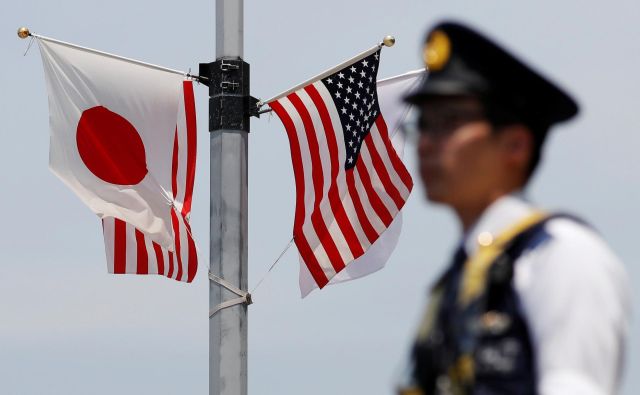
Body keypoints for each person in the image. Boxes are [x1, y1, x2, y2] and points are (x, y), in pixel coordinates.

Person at [398, 21, 631, 395]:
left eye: (449, 122)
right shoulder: (456, 283)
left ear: (516, 146)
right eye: (424, 125)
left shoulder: (559, 256)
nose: (425, 143)